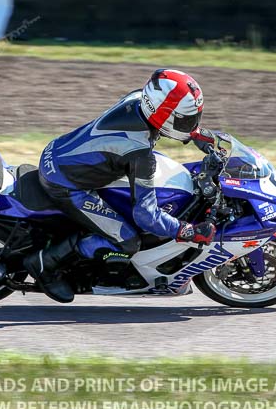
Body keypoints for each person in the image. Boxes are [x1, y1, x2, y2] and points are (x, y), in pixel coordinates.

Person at [24, 68, 218, 303]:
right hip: (66, 183)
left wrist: (201, 137)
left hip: (58, 151)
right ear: (163, 113)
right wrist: (187, 231)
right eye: (187, 119)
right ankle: (46, 263)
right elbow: (146, 215)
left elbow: (171, 122)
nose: (191, 123)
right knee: (127, 239)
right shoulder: (140, 154)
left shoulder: (137, 99)